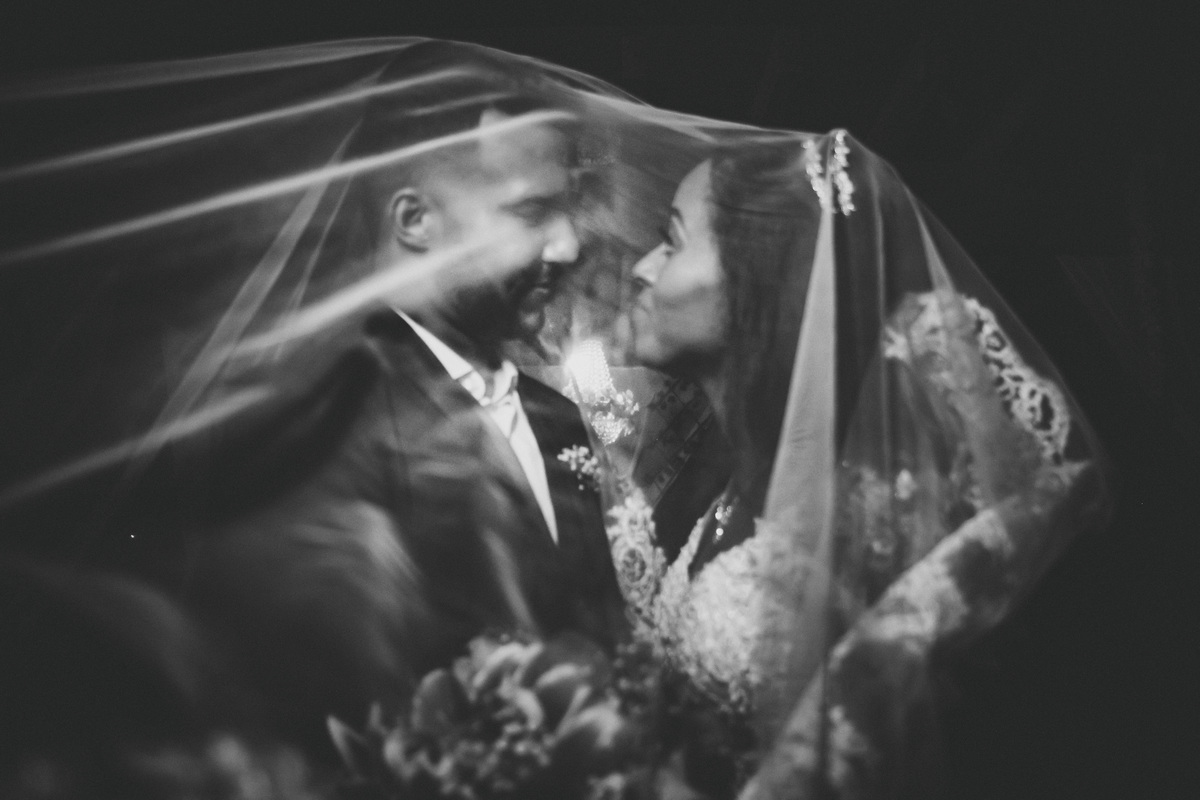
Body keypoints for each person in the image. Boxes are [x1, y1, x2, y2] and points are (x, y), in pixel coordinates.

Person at [615, 133, 1110, 797]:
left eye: (672, 242)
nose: (641, 268)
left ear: (759, 279)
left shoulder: (869, 525)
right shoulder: (718, 470)